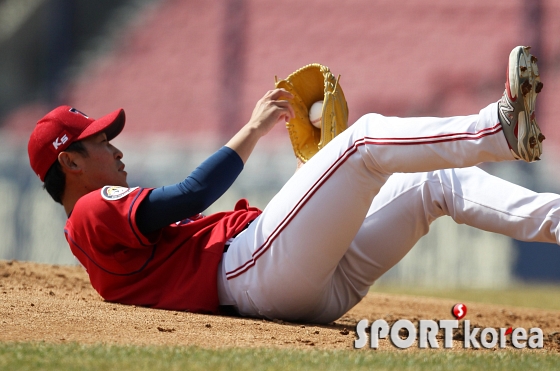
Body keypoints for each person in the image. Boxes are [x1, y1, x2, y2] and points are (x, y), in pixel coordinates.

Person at [28, 46, 555, 324]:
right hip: (254, 275)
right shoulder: (91, 211)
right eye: (98, 141)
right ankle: (498, 128)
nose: (115, 148)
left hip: (295, 282)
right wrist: (255, 127)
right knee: (363, 138)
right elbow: (190, 194)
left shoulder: (102, 233)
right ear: (70, 162)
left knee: (436, 181)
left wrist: (316, 174)